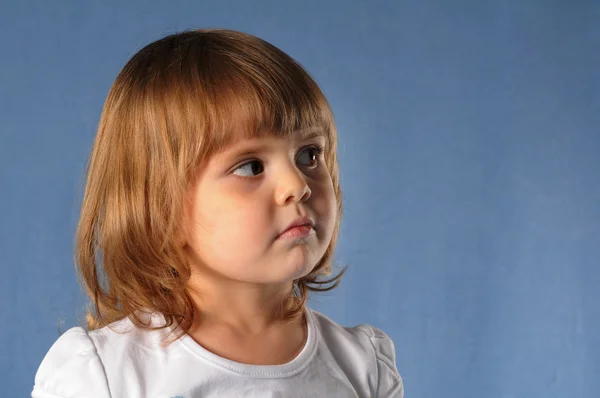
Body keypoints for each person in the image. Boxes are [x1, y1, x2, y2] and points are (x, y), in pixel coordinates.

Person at [31, 28, 404, 398]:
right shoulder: (107, 376)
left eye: (309, 155)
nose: (298, 185)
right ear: (162, 209)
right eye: (250, 166)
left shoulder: (361, 366)